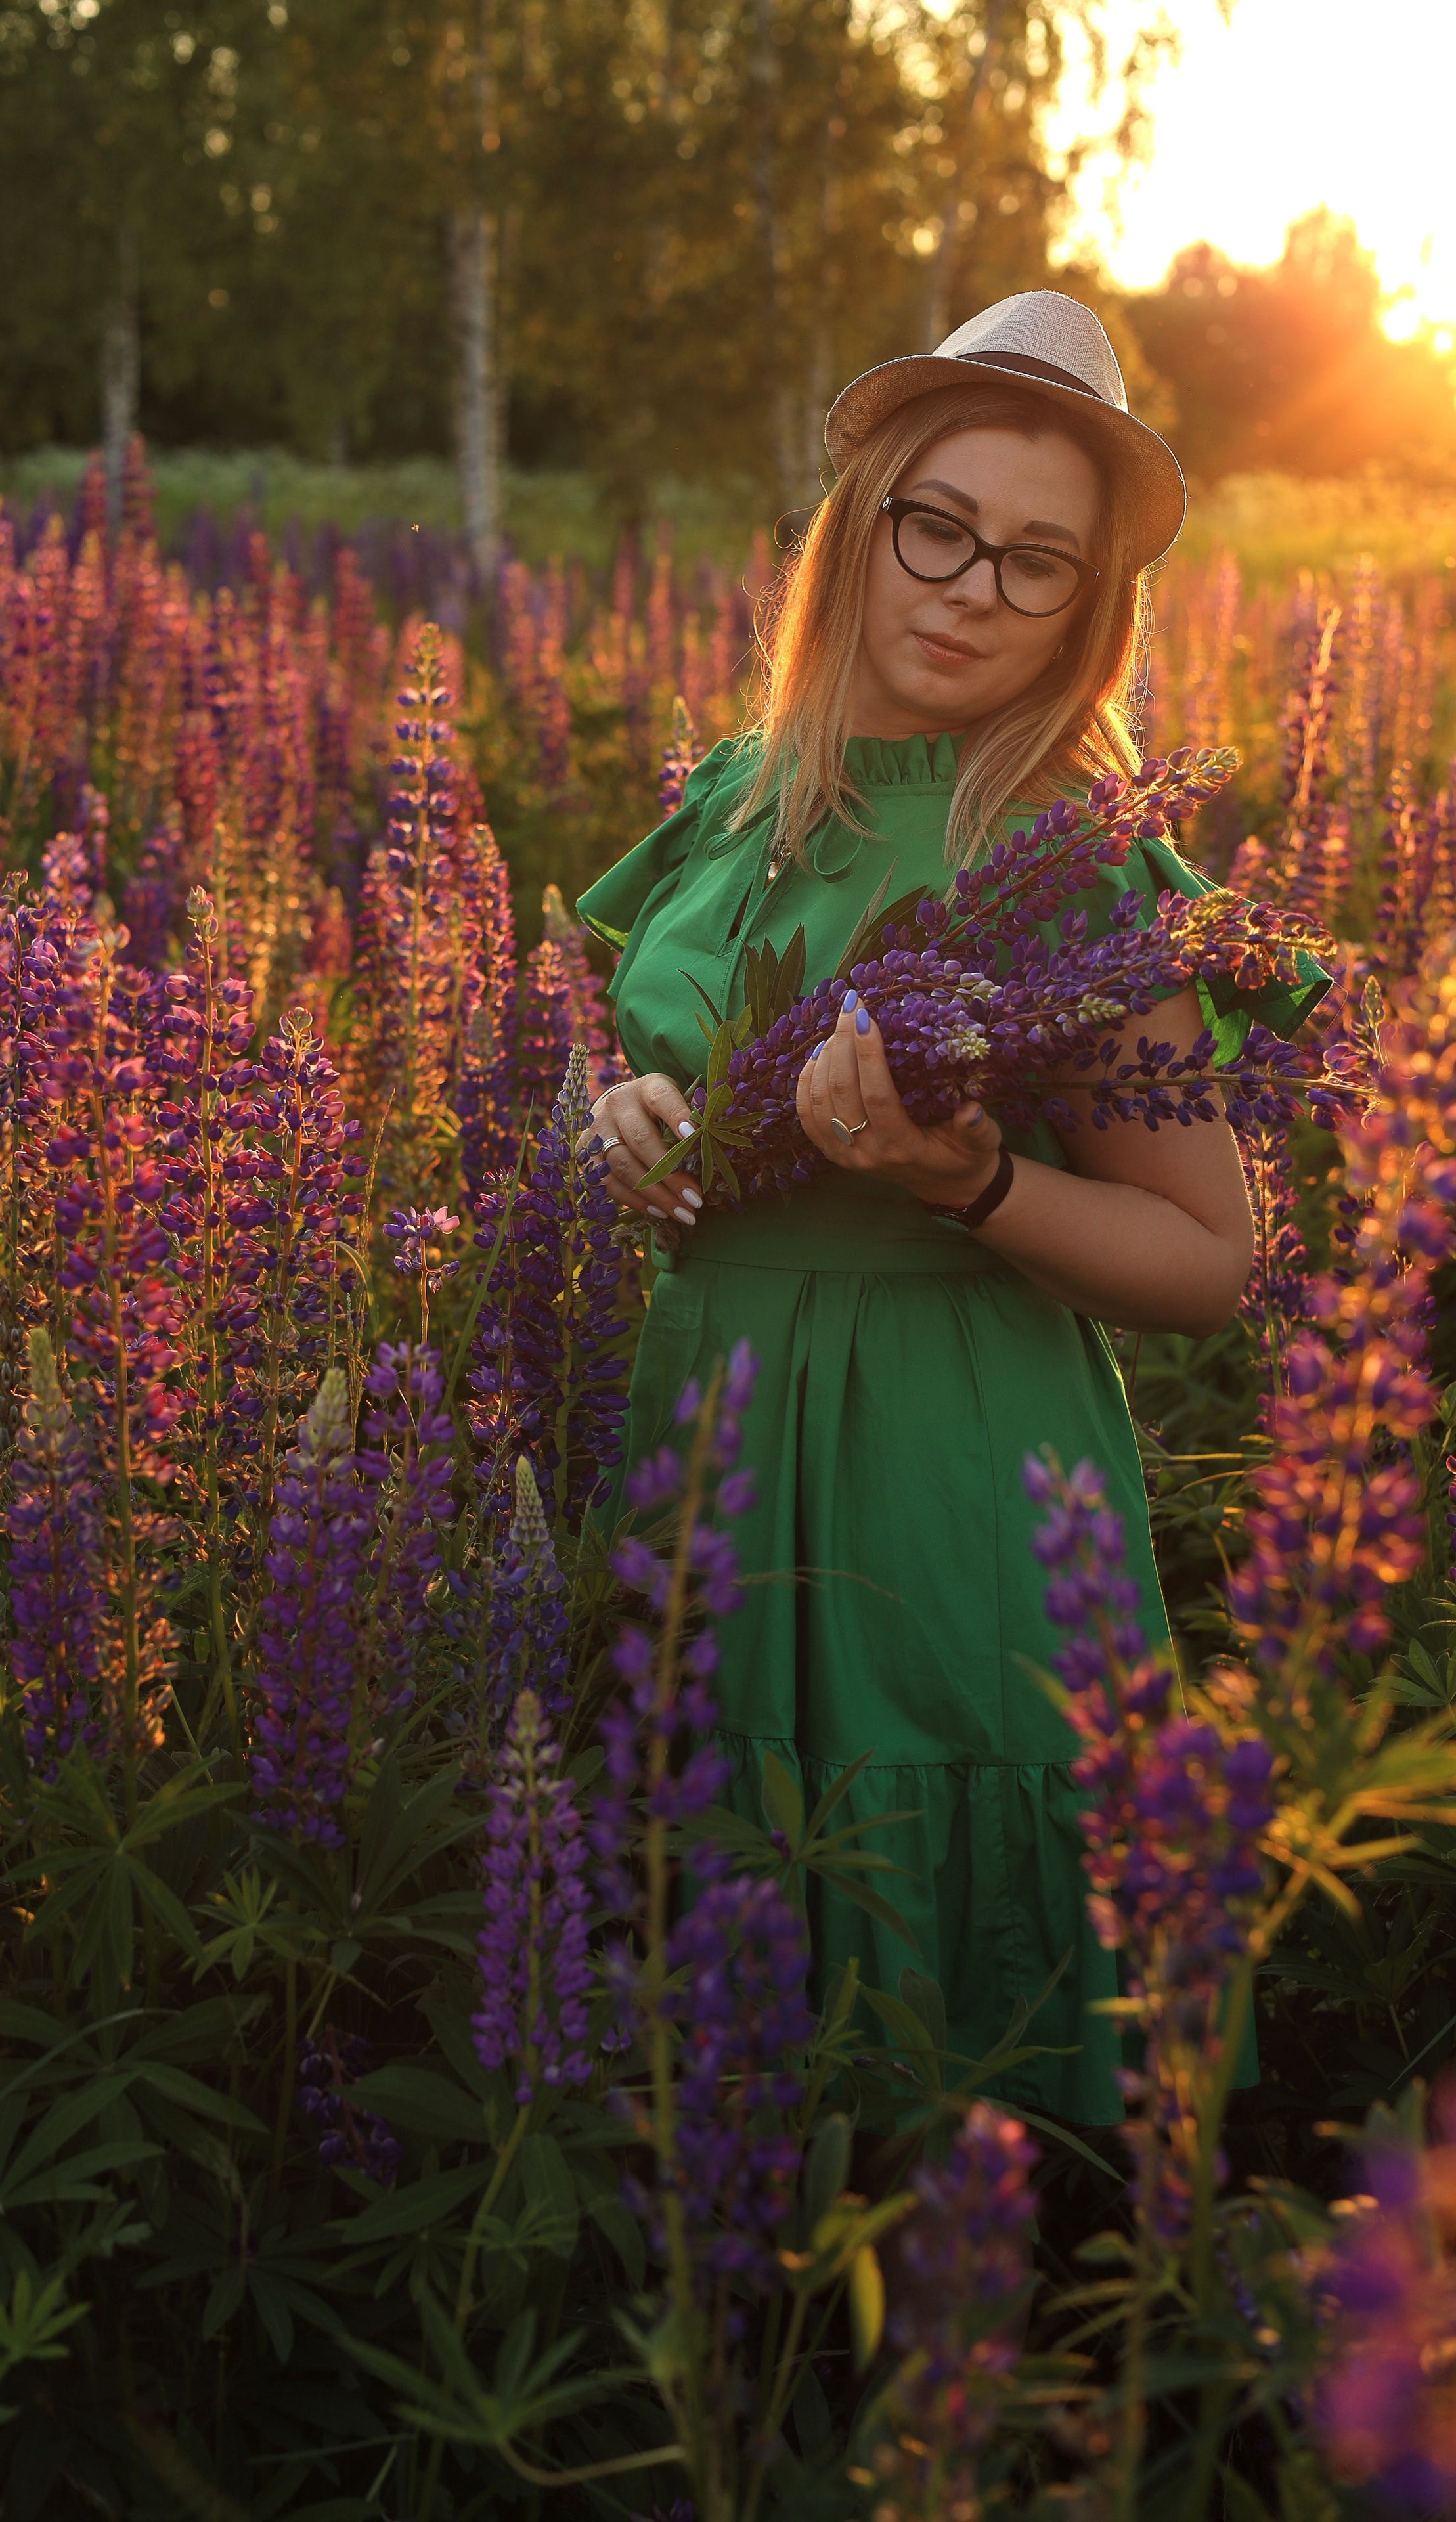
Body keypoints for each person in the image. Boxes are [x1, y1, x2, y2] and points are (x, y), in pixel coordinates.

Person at [575, 291, 1327, 2126]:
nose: (974, 586)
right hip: (707, 1438)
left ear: (1089, 610)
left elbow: (1210, 1262)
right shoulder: (732, 805)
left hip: (946, 1474)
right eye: (943, 526)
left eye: (1037, 562)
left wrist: (969, 1178)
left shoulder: (1069, 856)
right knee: (705, 1943)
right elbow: (642, 1050)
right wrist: (624, 1117)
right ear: (864, 523)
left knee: (931, 1982)